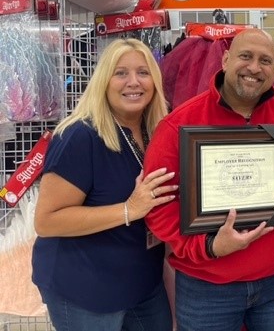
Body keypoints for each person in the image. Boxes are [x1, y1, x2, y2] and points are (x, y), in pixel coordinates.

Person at [143, 28, 274, 331]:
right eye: (245, 56)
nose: (254, 68)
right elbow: (159, 207)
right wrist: (210, 246)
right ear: (225, 59)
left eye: (265, 60)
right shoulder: (179, 123)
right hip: (207, 288)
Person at [32, 38, 176, 330]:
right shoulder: (80, 136)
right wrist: (129, 209)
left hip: (143, 279)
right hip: (86, 287)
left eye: (143, 72)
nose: (133, 82)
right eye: (120, 73)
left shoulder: (158, 132)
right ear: (103, 81)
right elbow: (47, 221)